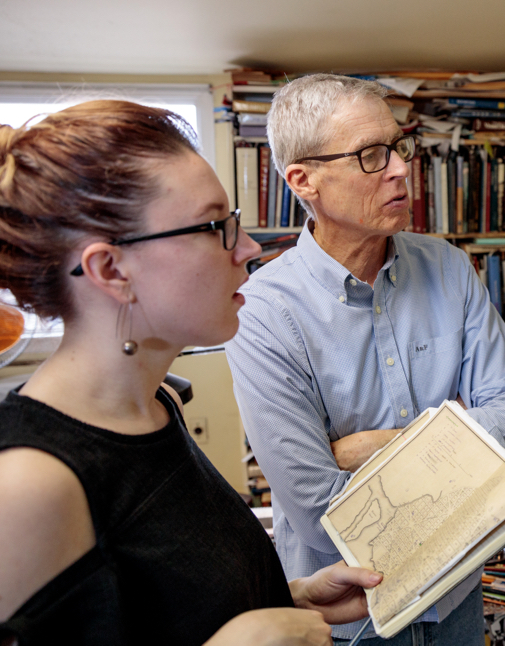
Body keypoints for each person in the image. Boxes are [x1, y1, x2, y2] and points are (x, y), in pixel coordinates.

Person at [0, 101, 382, 646]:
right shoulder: (28, 482)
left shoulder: (159, 408)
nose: (248, 249)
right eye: (214, 227)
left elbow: (142, 611)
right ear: (111, 270)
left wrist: (284, 596)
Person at [225, 75, 505, 644]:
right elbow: (322, 511)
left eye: (399, 146)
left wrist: (379, 446)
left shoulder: (447, 266)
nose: (400, 168)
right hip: (348, 619)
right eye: (372, 155)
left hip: (457, 603)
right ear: (304, 180)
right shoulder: (262, 313)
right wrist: (460, 451)